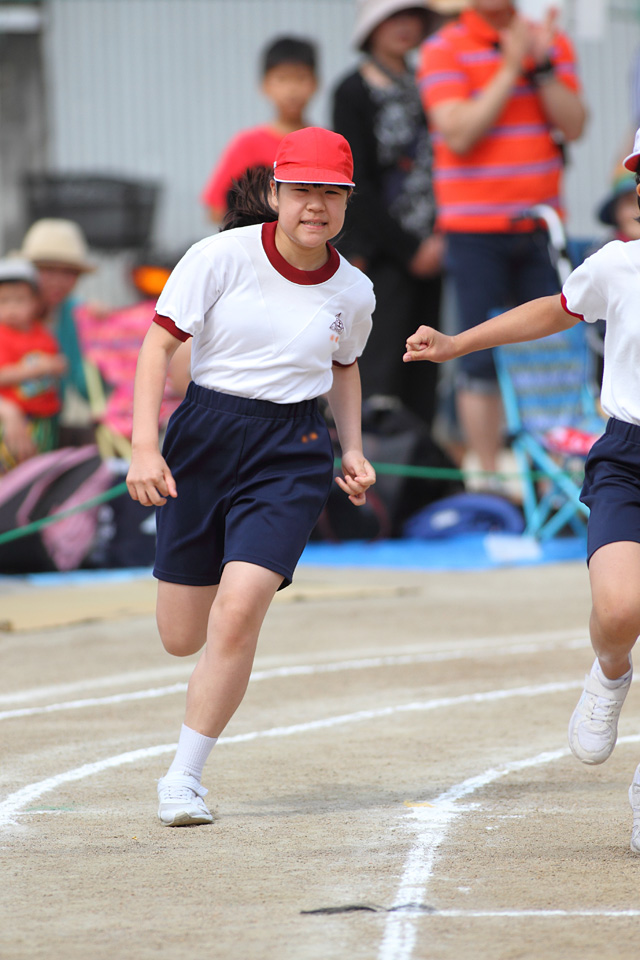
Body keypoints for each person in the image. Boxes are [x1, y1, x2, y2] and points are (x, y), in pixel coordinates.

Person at [126, 127, 376, 827]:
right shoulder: (217, 257)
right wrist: (145, 447)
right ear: (275, 192)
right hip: (203, 436)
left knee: (239, 610)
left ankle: (184, 778)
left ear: (347, 202)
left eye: (331, 193)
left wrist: (350, 449)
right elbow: (158, 346)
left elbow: (344, 367)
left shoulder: (354, 291)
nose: (315, 207)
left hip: (292, 448)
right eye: (301, 191)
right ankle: (201, 676)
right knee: (182, 635)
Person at [403, 125, 640, 852]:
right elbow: (553, 310)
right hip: (629, 453)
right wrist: (457, 343)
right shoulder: (618, 265)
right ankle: (608, 670)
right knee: (621, 606)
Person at [417, 0, 586, 478]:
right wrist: (512, 66)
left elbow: (573, 126)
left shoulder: (547, 39)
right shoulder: (442, 47)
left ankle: (559, 477)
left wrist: (544, 63)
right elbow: (459, 132)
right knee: (475, 354)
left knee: (553, 348)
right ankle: (488, 479)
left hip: (541, 225)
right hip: (473, 229)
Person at [332, 0, 447, 429]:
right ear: (372, 27)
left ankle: (418, 477)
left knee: (428, 365)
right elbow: (354, 180)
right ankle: (375, 472)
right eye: (391, 17)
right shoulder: (351, 90)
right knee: (381, 366)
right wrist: (409, 248)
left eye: (410, 15)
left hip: (437, 249)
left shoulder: (431, 82)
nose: (403, 26)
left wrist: (440, 238)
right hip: (382, 254)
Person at [200, 36, 318, 224]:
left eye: (300, 78)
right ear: (265, 85)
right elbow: (215, 208)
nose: (292, 89)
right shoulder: (246, 145)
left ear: (316, 83)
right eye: (282, 79)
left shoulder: (324, 144)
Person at [19, 218, 96, 423]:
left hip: (47, 431)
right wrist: (5, 409)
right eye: (48, 269)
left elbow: (87, 388)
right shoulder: (7, 313)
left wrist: (101, 334)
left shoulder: (74, 314)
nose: (58, 281)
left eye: (69, 272)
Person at [0, 258, 66, 472]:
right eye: (4, 301)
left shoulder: (42, 334)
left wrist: (57, 365)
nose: (11, 308)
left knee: (37, 469)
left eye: (19, 301)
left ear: (35, 303)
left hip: (44, 417)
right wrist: (36, 369)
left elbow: (55, 364)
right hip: (13, 418)